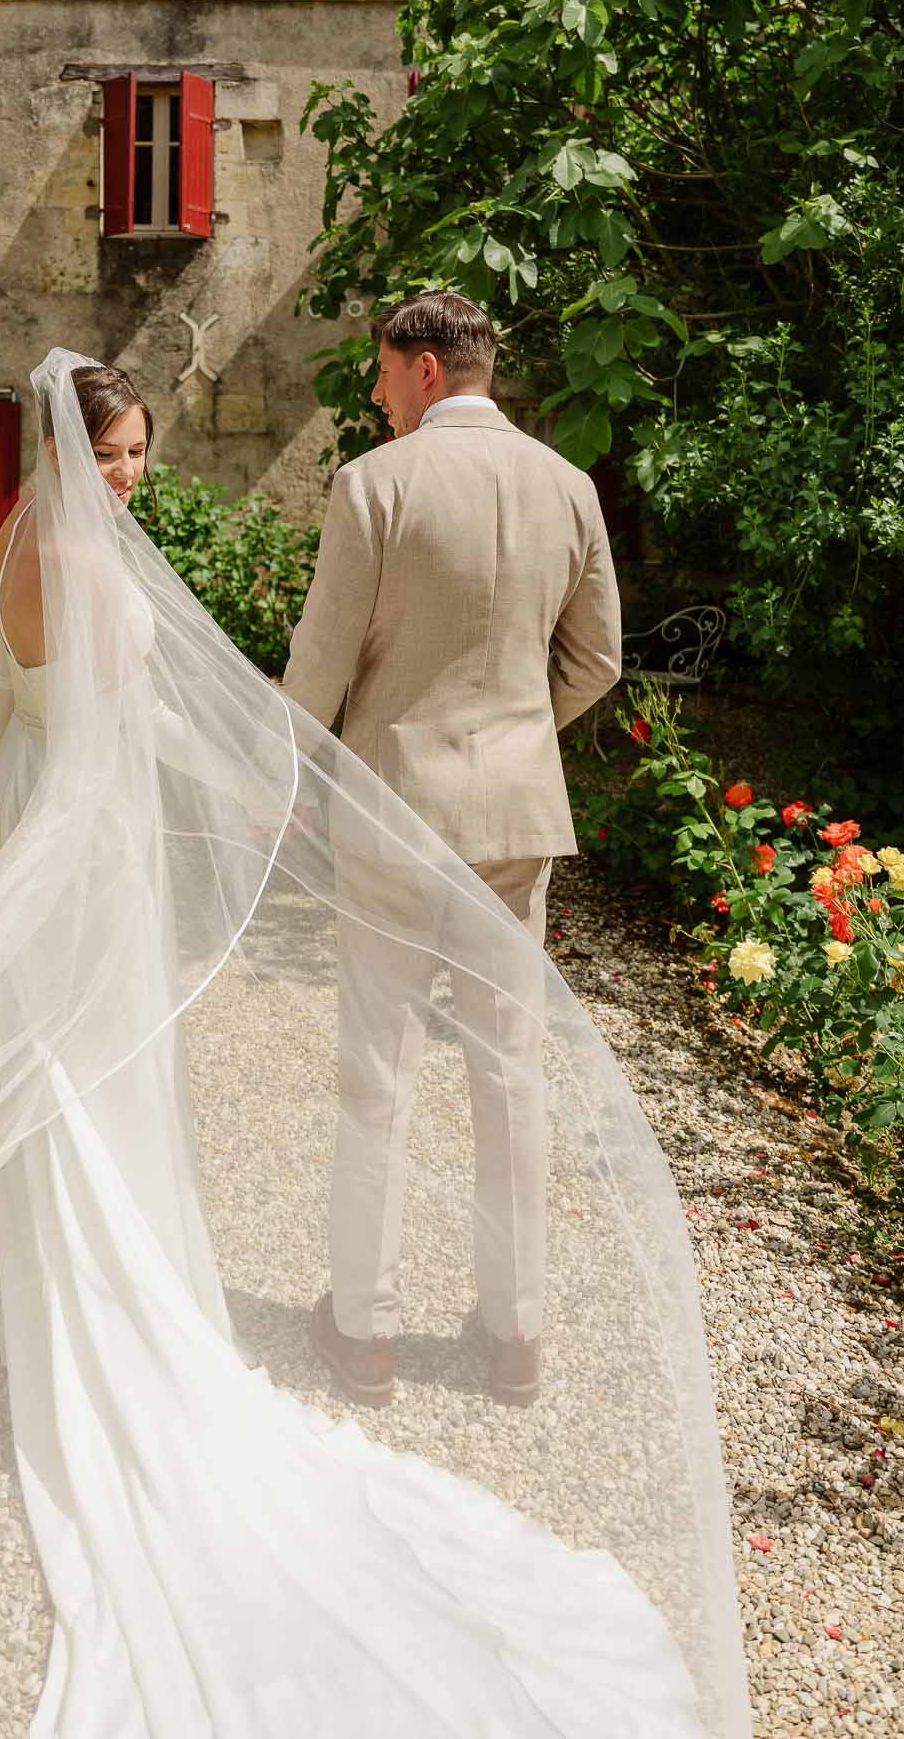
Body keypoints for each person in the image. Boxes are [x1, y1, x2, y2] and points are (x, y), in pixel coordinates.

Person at [0, 352, 750, 1739]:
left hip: (42, 824)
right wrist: (269, 788)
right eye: (121, 452)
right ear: (76, 446)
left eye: (140, 452)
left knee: (84, 1078)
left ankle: (84, 1301)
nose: (137, 474)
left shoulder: (17, 535)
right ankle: (108, 1328)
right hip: (88, 847)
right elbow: (143, 722)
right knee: (99, 1079)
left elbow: (3, 715)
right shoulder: (79, 553)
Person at [281, 292, 622, 1410]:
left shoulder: (376, 485)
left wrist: (284, 777)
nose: (377, 392)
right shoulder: (566, 487)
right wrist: (519, 737)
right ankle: (514, 1331)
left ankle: (366, 1330)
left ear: (426, 369)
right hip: (514, 820)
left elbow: (323, 662)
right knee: (508, 1069)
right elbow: (599, 661)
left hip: (391, 809)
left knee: (377, 1070)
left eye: (383, 371)